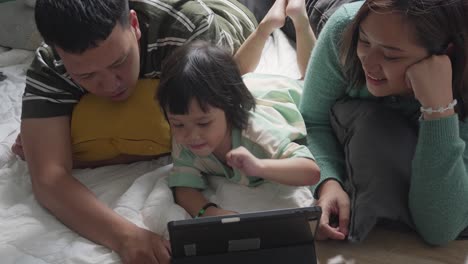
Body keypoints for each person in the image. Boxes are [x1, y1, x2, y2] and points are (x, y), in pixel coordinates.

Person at [13, 0, 256, 263]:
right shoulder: (50, 65)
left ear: (134, 24)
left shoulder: (188, 29)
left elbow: (205, 133)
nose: (110, 85)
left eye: (119, 62)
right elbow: (49, 178)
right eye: (86, 75)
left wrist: (84, 158)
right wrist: (125, 236)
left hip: (230, 14)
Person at [300, 0, 468, 245]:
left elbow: (440, 228)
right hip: (332, 9)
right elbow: (312, 120)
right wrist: (328, 182)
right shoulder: (345, 29)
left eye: (391, 55)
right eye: (365, 42)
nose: (367, 63)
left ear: (446, 54)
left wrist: (439, 110)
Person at [157, 0, 319, 218]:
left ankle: (297, 18)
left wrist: (261, 166)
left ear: (230, 109)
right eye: (177, 124)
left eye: (204, 123)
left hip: (278, 95)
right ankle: (266, 27)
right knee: (233, 76)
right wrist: (208, 211)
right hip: (245, 87)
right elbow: (184, 188)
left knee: (311, 82)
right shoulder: (184, 138)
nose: (191, 135)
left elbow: (310, 172)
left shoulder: (256, 133)